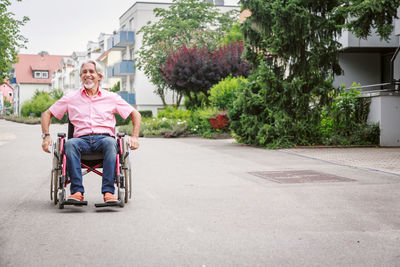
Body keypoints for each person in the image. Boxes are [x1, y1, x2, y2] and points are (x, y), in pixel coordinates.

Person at [41, 60, 141, 203]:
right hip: (81, 140)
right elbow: (46, 114)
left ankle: (108, 192)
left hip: (104, 139)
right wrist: (46, 136)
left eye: (91, 71)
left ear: (99, 76)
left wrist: (135, 137)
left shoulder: (111, 97)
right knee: (70, 144)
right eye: (84, 72)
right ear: (81, 76)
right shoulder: (71, 98)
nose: (87, 75)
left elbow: (135, 114)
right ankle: (76, 192)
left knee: (110, 143)